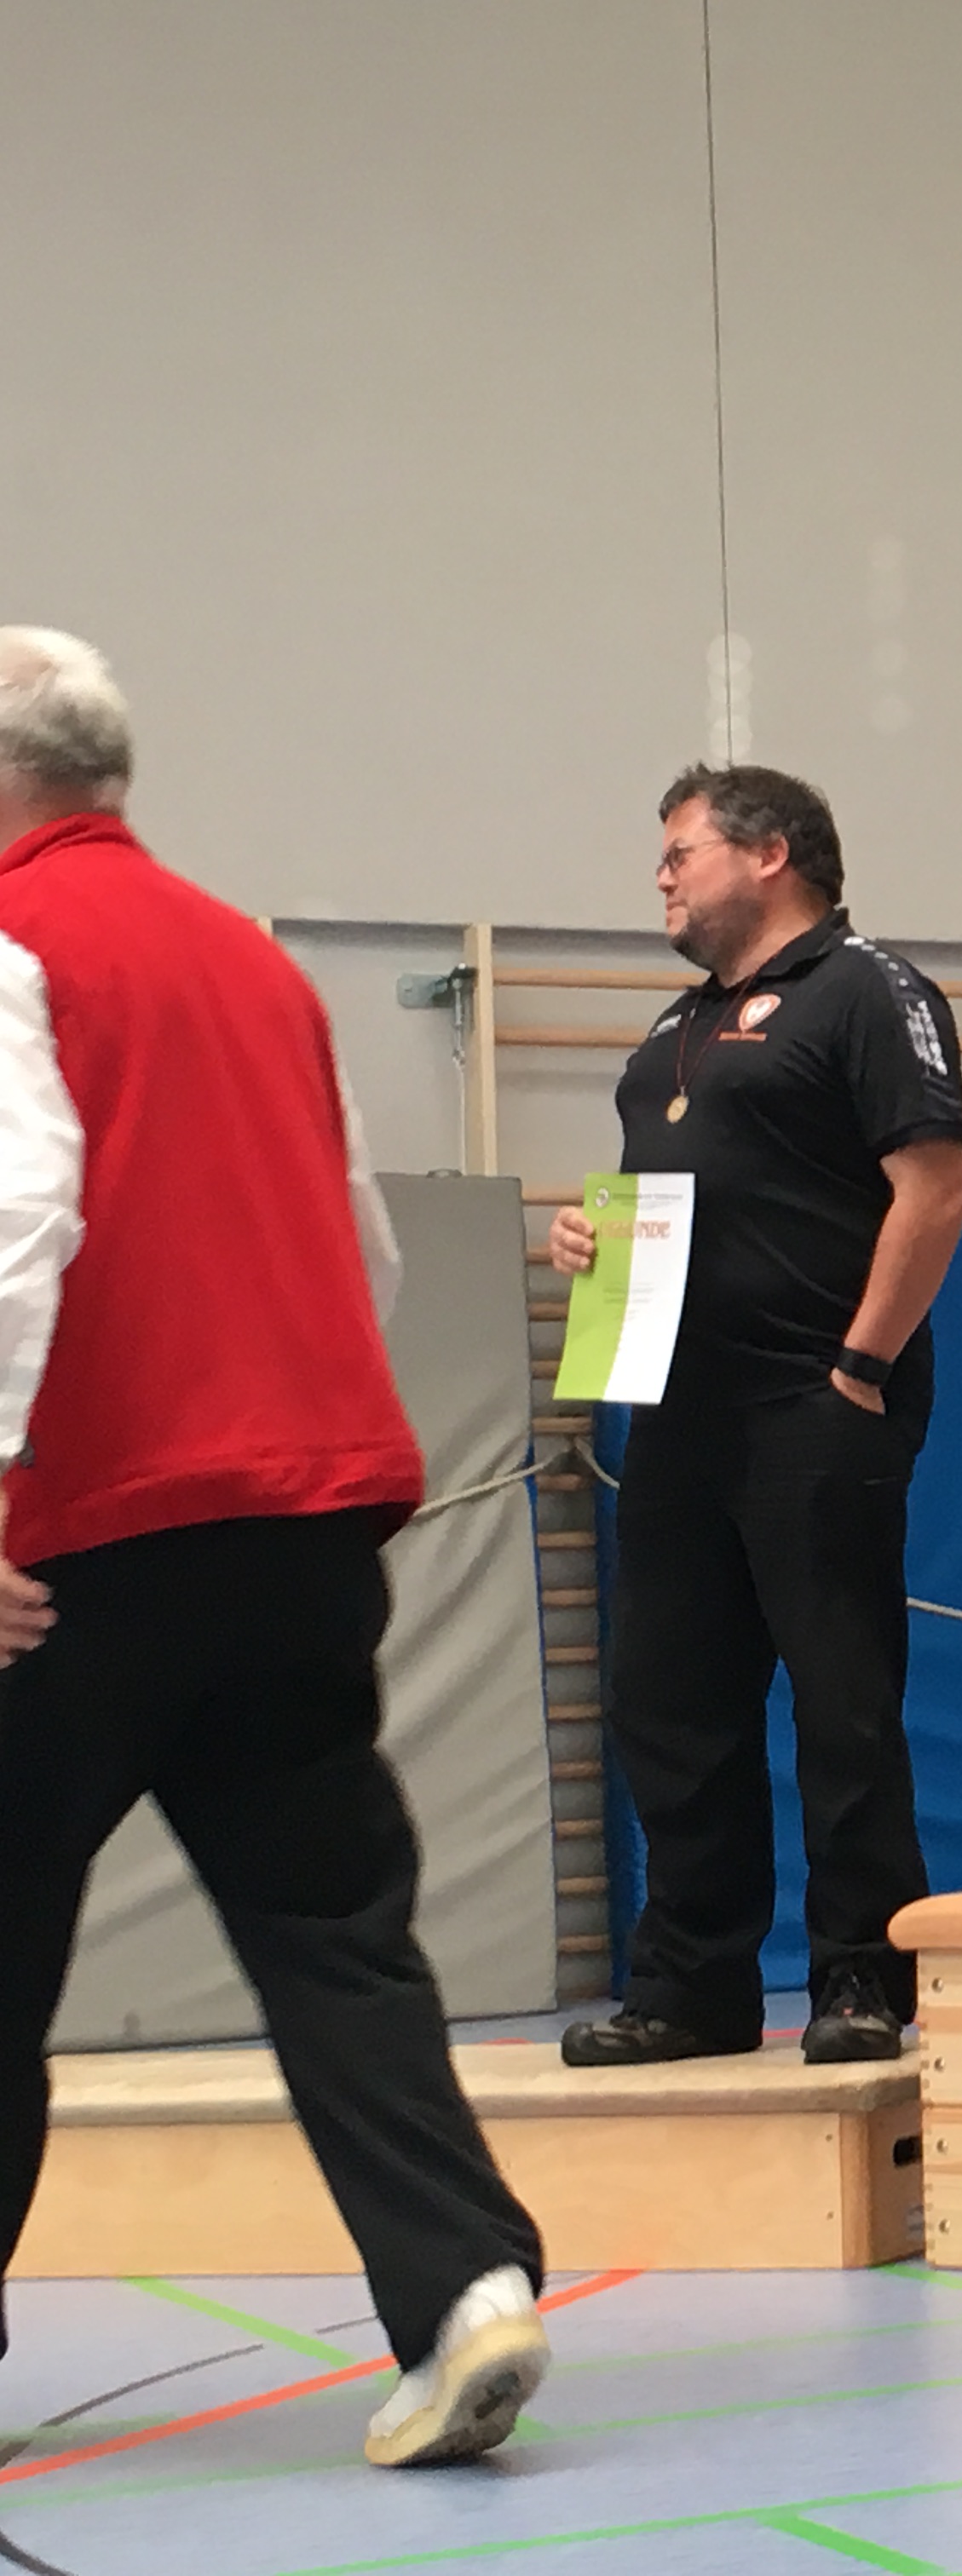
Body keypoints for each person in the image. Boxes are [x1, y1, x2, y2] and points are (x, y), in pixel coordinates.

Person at [0, 628, 550, 2467]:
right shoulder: (255, 958)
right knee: (336, 1934)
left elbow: (15, 1218)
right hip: (302, 1522)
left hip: (79, 1547)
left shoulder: (12, 941)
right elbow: (354, 1239)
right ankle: (466, 2288)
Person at [552, 766, 962, 2070]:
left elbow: (936, 1190)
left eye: (682, 851)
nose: (662, 876)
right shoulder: (673, 1029)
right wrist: (591, 1240)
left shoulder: (870, 991)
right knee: (671, 1704)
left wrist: (859, 1369)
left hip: (813, 1401)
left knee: (842, 1704)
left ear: (770, 853)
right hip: (680, 1415)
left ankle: (860, 1978)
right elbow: (672, 1194)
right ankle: (693, 1986)